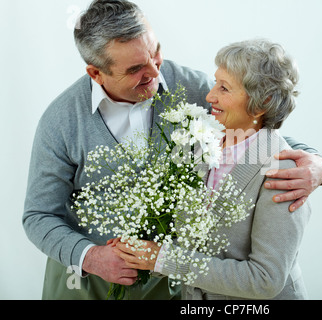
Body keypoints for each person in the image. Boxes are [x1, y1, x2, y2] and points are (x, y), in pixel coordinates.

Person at [23, 0, 322, 300]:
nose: (155, 73)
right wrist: (90, 256)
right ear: (96, 73)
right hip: (88, 285)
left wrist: (318, 164)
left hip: (173, 287)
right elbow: (38, 215)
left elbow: (257, 125)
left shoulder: (192, 88)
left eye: (155, 54)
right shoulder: (60, 121)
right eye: (135, 69)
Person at [114, 39, 312, 299]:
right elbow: (187, 241)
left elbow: (265, 280)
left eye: (224, 88)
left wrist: (162, 259)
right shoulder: (195, 147)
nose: (209, 96)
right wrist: (138, 253)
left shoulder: (283, 172)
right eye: (215, 82)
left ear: (262, 102)